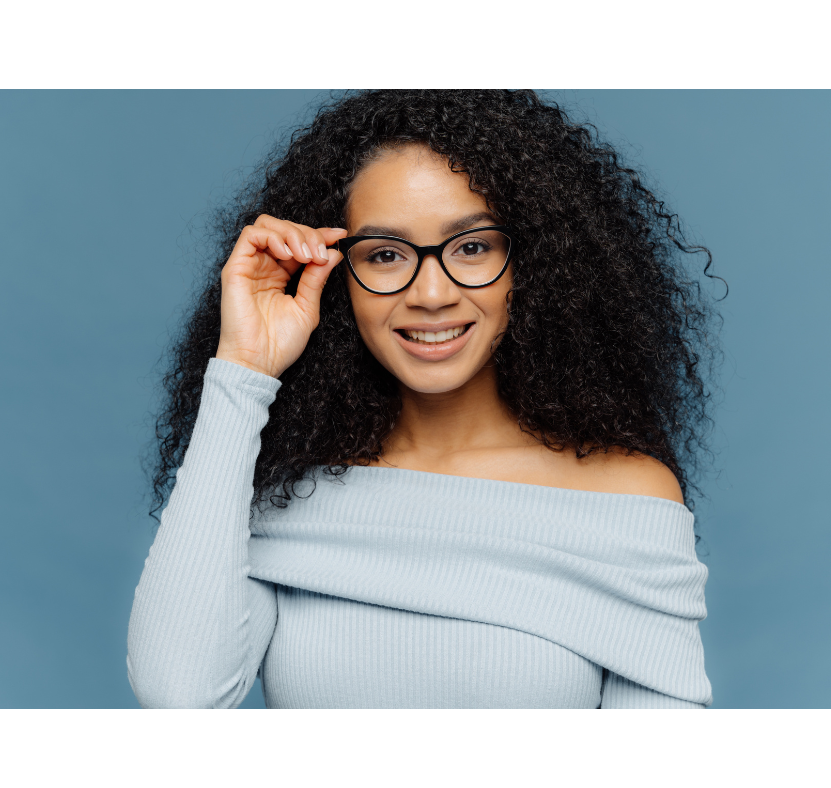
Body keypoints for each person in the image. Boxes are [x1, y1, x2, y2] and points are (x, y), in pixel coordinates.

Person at [128, 90, 723, 708]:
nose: (430, 293)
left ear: (535, 263)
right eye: (385, 255)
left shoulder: (624, 495)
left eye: (471, 247)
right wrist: (244, 366)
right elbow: (179, 697)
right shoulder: (287, 489)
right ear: (336, 276)